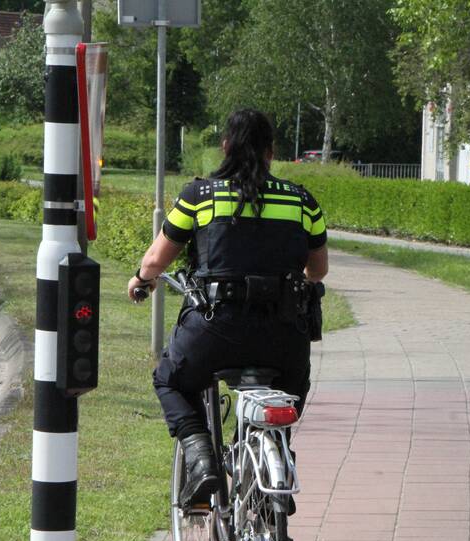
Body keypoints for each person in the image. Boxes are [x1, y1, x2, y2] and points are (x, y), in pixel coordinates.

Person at [127, 108, 329, 508]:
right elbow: (317, 271)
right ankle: (274, 457)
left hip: (214, 331)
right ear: (271, 152)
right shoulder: (301, 200)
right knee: (289, 393)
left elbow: (155, 261)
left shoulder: (199, 196)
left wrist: (141, 280)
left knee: (169, 380)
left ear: (225, 147)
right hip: (283, 337)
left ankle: (201, 456)